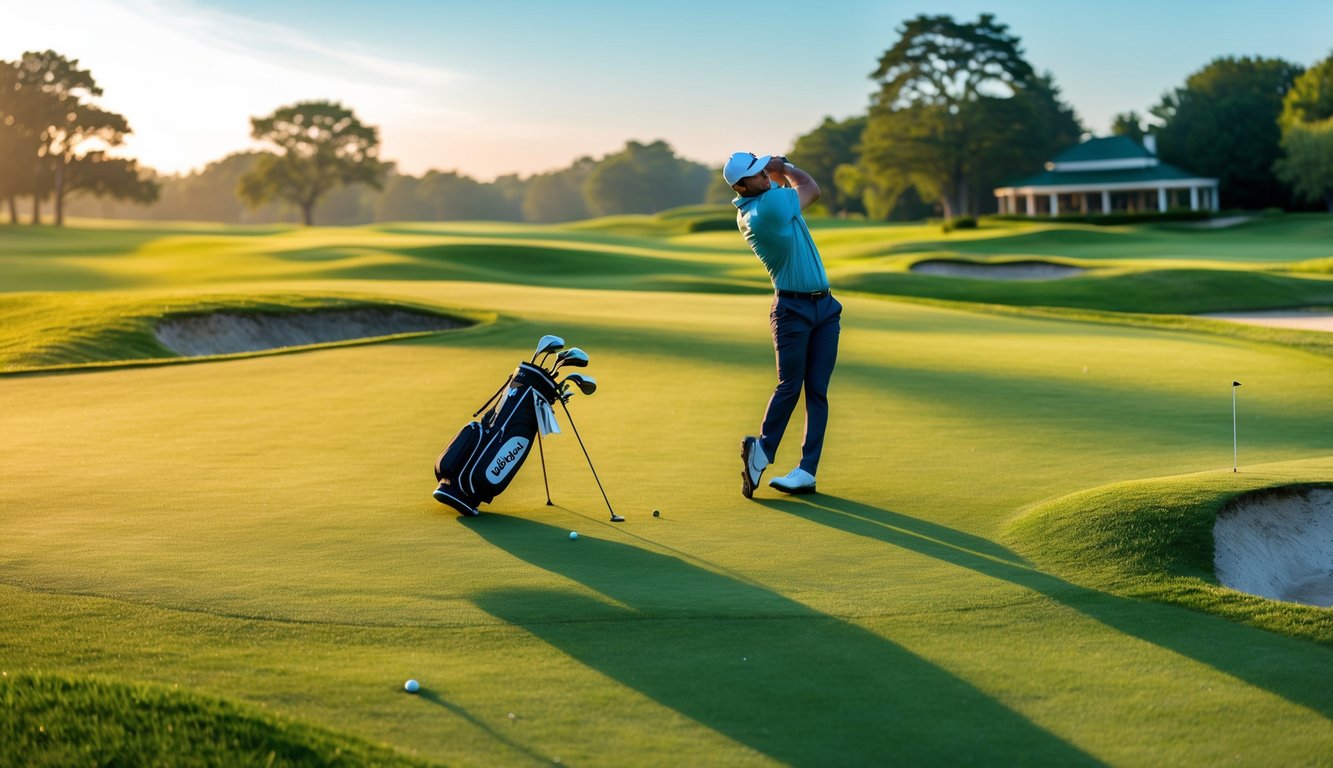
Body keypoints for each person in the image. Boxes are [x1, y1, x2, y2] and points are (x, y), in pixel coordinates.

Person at [723, 151, 842, 498]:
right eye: (757, 173)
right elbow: (810, 187)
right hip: (792, 309)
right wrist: (785, 168)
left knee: (816, 389)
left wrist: (772, 172)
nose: (764, 174)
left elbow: (783, 189)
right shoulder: (767, 208)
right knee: (791, 385)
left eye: (764, 170)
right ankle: (762, 452)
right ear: (741, 185)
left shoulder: (760, 204)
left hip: (825, 308)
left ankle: (806, 471)